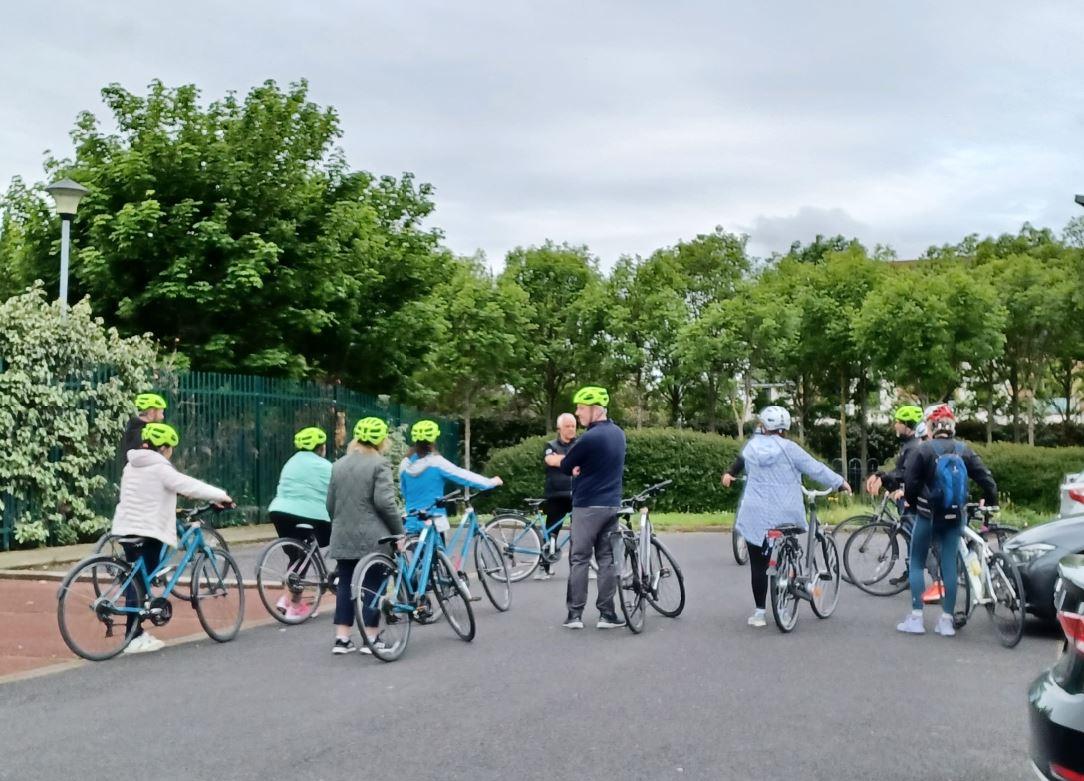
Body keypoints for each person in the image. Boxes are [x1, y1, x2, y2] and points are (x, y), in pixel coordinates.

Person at [111, 422, 232, 654]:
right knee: (141, 580)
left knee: (138, 578)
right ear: (164, 447)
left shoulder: (132, 466)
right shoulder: (160, 468)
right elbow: (190, 487)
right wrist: (221, 496)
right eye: (171, 448)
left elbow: (148, 493)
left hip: (125, 527)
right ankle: (133, 635)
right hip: (148, 531)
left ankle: (137, 628)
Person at [729, 406, 850, 628]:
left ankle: (759, 613)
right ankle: (791, 577)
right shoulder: (790, 449)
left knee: (758, 564)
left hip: (754, 513)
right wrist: (839, 482)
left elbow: (737, 465)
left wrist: (729, 474)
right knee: (788, 541)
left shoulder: (752, 448)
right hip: (785, 511)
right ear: (785, 428)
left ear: (763, 426)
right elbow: (815, 468)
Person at [900, 404, 997, 637]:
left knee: (916, 562)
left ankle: (916, 618)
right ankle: (946, 621)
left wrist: (912, 505)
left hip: (927, 515)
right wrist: (991, 499)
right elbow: (986, 479)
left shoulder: (923, 451)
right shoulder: (964, 450)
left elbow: (911, 484)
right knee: (949, 565)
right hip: (955, 517)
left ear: (932, 427)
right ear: (952, 427)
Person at [551, 386, 627, 631]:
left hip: (587, 506)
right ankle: (607, 614)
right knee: (606, 560)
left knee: (580, 558)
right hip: (611, 505)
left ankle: (575, 615)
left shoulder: (589, 438)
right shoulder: (619, 434)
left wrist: (570, 465)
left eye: (581, 408)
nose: (578, 413)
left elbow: (566, 465)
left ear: (595, 409)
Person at [326, 417, 404, 655]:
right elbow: (385, 503)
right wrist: (398, 531)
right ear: (382, 440)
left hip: (342, 532)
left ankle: (342, 638)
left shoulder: (338, 465)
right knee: (372, 583)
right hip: (373, 536)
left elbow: (330, 504)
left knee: (345, 585)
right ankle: (371, 637)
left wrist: (341, 522)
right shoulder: (379, 464)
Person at [266, 427, 334, 620]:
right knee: (312, 548)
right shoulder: (324, 465)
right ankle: (286, 598)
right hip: (308, 514)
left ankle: (296, 604)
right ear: (321, 447)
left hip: (279, 512)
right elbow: (336, 491)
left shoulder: (290, 462)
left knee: (298, 556)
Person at [398, 420, 503, 536]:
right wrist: (490, 482)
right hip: (434, 520)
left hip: (412, 520)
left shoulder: (405, 463)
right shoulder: (437, 462)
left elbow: (404, 490)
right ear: (433, 440)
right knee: (438, 553)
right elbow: (463, 476)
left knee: (419, 553)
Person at [865, 405, 924, 589]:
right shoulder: (909, 445)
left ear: (907, 424)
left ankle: (917, 576)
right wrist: (883, 476)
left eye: (898, 422)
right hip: (904, 494)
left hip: (909, 497)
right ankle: (911, 573)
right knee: (909, 536)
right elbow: (900, 471)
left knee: (912, 537)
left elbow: (906, 473)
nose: (895, 426)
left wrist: (884, 478)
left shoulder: (913, 447)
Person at [537, 412, 578, 580]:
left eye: (573, 426)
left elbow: (583, 460)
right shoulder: (551, 444)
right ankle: (544, 567)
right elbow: (551, 461)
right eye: (567, 426)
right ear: (559, 428)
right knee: (551, 531)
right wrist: (573, 459)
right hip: (556, 494)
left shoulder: (581, 443)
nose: (571, 429)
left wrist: (563, 459)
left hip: (576, 493)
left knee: (581, 532)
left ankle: (581, 567)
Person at [117, 393, 167, 471]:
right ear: (152, 411)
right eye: (161, 413)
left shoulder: (134, 427)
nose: (162, 417)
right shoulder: (137, 431)